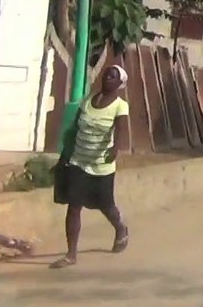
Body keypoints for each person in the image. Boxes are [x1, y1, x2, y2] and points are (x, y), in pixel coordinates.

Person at [51, 64, 130, 269]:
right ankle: (71, 254)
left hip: (101, 165)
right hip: (79, 161)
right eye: (106, 75)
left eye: (113, 77)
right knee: (74, 206)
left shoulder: (120, 106)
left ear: (120, 83)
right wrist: (64, 157)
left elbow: (121, 129)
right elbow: (74, 128)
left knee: (106, 206)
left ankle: (120, 228)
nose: (108, 79)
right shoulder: (88, 101)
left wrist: (116, 148)